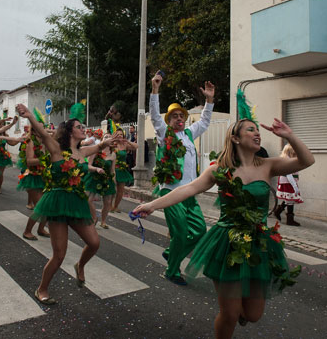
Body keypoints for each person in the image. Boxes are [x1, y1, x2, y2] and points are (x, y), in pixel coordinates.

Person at [132, 115, 314, 339]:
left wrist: (289, 135)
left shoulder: (268, 166)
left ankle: (240, 311)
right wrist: (151, 205)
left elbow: (307, 161)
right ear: (235, 138)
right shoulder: (219, 169)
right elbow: (187, 189)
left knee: (253, 315)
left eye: (258, 130)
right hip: (226, 244)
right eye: (250, 130)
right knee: (229, 314)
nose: (257, 133)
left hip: (258, 243)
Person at [16, 103, 118, 306]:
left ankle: (80, 265)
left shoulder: (83, 152)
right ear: (70, 131)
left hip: (77, 203)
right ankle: (42, 289)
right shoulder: (57, 150)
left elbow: (99, 146)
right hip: (58, 202)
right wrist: (29, 116)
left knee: (94, 243)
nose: (84, 129)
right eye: (80, 127)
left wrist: (110, 140)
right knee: (59, 254)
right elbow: (44, 134)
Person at [149, 71, 215, 285]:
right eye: (175, 116)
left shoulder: (188, 134)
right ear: (169, 120)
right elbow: (154, 116)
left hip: (190, 192)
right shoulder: (163, 133)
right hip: (171, 192)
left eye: (181, 116)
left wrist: (209, 99)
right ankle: (172, 270)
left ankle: (172, 252)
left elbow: (204, 122)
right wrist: (155, 90)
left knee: (198, 231)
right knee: (180, 233)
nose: (179, 118)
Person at [21, 124, 51, 239]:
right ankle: (27, 231)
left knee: (48, 206)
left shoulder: (45, 141)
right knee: (40, 207)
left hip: (44, 177)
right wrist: (45, 160)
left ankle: (41, 229)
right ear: (34, 130)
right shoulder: (31, 142)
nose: (42, 129)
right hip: (33, 177)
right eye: (40, 128)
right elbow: (29, 161)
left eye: (43, 127)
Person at [86, 133, 117, 228]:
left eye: (109, 137)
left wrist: (114, 182)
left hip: (106, 178)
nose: (107, 138)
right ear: (102, 139)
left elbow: (112, 170)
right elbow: (88, 165)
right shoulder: (96, 151)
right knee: (88, 199)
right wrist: (96, 169)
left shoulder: (113, 154)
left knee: (107, 202)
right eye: (106, 137)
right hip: (94, 178)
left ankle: (103, 221)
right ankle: (94, 217)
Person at [274, 144, 304, 226]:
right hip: (288, 182)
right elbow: (289, 174)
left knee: (288, 199)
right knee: (290, 200)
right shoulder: (287, 160)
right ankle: (289, 220)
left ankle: (278, 211)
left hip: (287, 182)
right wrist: (294, 186)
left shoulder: (285, 159)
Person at [111, 128, 137, 213]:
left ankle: (115, 206)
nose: (119, 136)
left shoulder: (125, 145)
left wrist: (127, 141)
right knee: (112, 189)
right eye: (118, 134)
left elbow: (136, 146)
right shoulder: (112, 144)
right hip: (113, 169)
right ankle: (109, 205)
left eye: (121, 134)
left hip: (122, 170)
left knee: (120, 191)